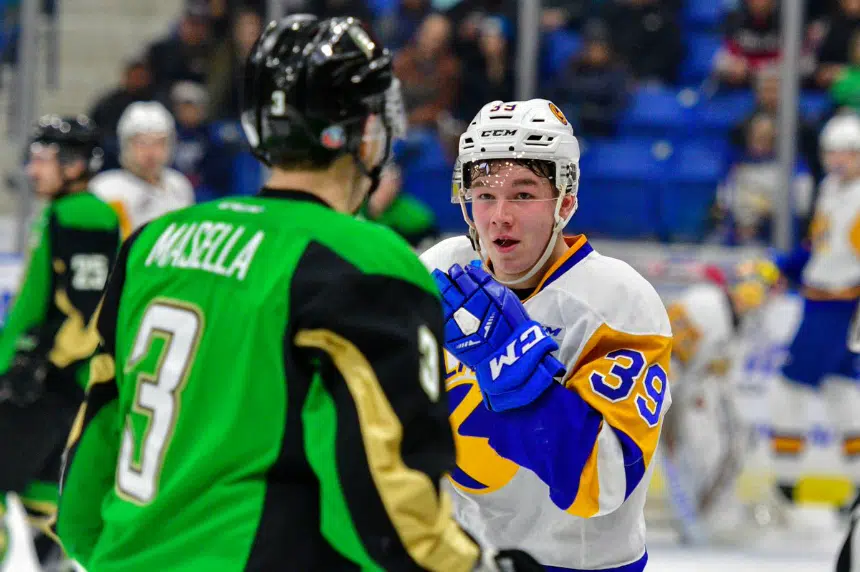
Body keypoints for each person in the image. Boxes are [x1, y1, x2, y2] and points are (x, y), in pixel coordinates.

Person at [56, 15, 541, 572]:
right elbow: (388, 505)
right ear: (368, 130)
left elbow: (90, 451)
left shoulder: (152, 243)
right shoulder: (363, 259)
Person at [421, 98, 673, 571]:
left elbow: (603, 485)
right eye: (484, 193)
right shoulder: (442, 270)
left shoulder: (617, 302)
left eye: (522, 194)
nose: (499, 216)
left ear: (566, 201)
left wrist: (516, 376)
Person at [0, 115, 121, 565]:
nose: (33, 171)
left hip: (48, 385)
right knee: (44, 496)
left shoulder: (85, 214)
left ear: (73, 164)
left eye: (43, 159)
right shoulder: (69, 212)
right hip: (59, 384)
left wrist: (31, 364)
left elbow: (88, 313)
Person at [769, 112, 860, 508]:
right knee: (843, 390)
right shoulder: (830, 188)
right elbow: (818, 246)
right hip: (821, 298)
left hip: (838, 302)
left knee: (791, 385)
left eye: (847, 153)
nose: (837, 160)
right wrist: (783, 267)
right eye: (831, 153)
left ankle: (785, 482)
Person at [660, 260, 784, 544]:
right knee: (695, 452)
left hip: (710, 392)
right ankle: (694, 521)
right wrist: (664, 403)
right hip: (681, 392)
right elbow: (667, 354)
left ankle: (710, 517)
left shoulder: (747, 318)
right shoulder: (703, 304)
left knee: (733, 448)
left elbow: (723, 368)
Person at [90, 101, 195, 239]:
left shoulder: (179, 185)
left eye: (159, 142)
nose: (151, 153)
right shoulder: (104, 189)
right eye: (141, 143)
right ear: (125, 144)